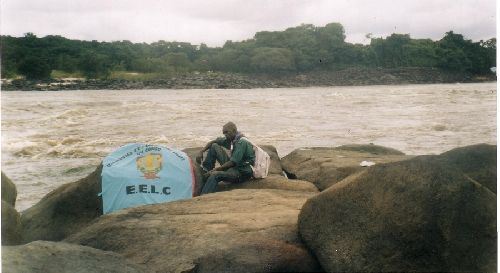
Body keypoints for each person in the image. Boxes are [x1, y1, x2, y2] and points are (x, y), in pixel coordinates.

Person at [196, 122, 255, 194]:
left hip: (242, 172)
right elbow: (214, 141)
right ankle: (206, 170)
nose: (225, 135)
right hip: (235, 167)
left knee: (215, 175)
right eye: (224, 133)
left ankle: (203, 196)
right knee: (214, 146)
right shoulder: (231, 139)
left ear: (234, 130)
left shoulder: (241, 142)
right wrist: (201, 151)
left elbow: (232, 163)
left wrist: (215, 170)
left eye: (227, 132)